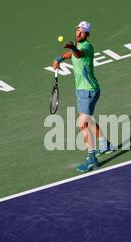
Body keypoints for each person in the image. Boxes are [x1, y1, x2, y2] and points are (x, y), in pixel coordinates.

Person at [52, 21, 114, 173]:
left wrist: (73, 47)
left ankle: (92, 159)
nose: (78, 33)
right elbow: (72, 55)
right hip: (81, 91)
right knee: (88, 120)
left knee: (82, 124)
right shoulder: (77, 46)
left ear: (87, 34)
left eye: (81, 31)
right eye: (77, 30)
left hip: (89, 91)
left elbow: (78, 54)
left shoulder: (87, 47)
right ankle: (104, 144)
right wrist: (59, 58)